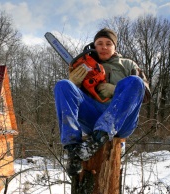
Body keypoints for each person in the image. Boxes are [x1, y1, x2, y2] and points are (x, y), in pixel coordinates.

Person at [54, 28, 150, 176]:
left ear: (114, 47)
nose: (104, 47)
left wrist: (116, 90)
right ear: (94, 46)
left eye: (108, 43)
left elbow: (145, 94)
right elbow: (72, 98)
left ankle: (99, 137)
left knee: (135, 81)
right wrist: (74, 83)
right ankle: (74, 150)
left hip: (122, 122)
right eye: (99, 43)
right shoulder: (86, 65)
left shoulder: (128, 64)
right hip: (94, 116)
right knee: (62, 85)